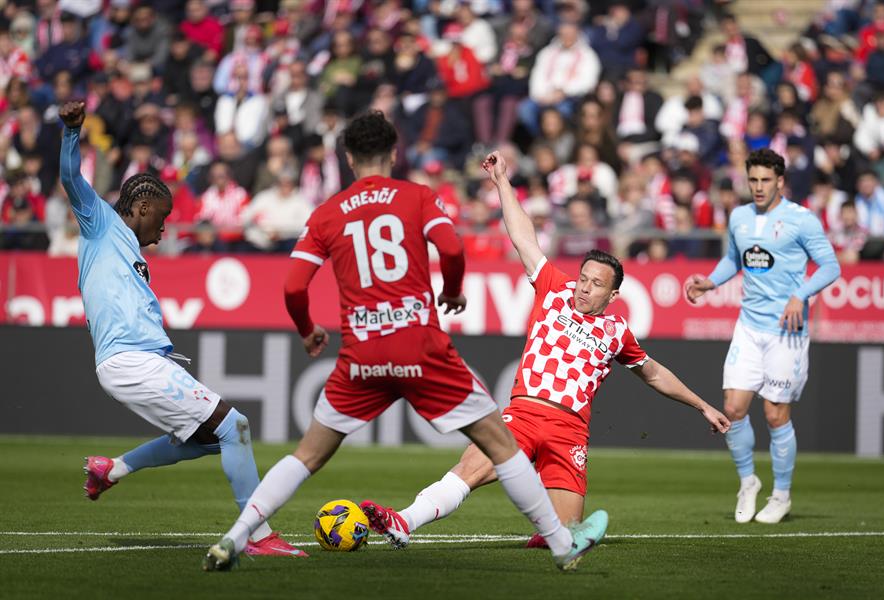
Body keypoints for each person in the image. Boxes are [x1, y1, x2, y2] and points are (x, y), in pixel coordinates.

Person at [203, 111, 608, 572]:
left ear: (350, 157)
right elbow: (452, 249)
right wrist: (453, 290)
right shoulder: (416, 196)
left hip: (361, 352)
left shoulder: (327, 212)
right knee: (501, 447)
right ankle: (560, 545)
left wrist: (307, 330)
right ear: (394, 153)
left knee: (307, 455)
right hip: (421, 346)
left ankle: (235, 538)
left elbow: (294, 286)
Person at [360, 151, 730, 550]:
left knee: (566, 533)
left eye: (595, 284)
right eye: (583, 278)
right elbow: (522, 236)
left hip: (570, 431)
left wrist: (702, 405)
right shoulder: (554, 288)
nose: (584, 287)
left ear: (613, 293)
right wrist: (502, 181)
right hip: (525, 413)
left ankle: (555, 533)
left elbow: (654, 373)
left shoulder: (617, 331)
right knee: (470, 468)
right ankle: (403, 521)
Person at [58, 101, 299, 558]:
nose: (165, 229)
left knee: (209, 440)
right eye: (162, 218)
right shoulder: (101, 223)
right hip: (129, 359)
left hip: (144, 360)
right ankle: (258, 537)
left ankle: (113, 470)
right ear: (142, 206)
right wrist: (72, 132)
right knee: (236, 426)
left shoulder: (130, 248)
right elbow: (72, 181)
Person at [685, 148, 841, 524]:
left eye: (765, 180)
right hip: (749, 327)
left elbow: (831, 266)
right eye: (752, 180)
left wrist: (799, 296)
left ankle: (781, 495)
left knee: (774, 414)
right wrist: (710, 282)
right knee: (733, 408)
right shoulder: (739, 216)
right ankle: (747, 482)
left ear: (780, 182)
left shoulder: (801, 220)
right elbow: (734, 260)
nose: (758, 187)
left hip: (786, 332)